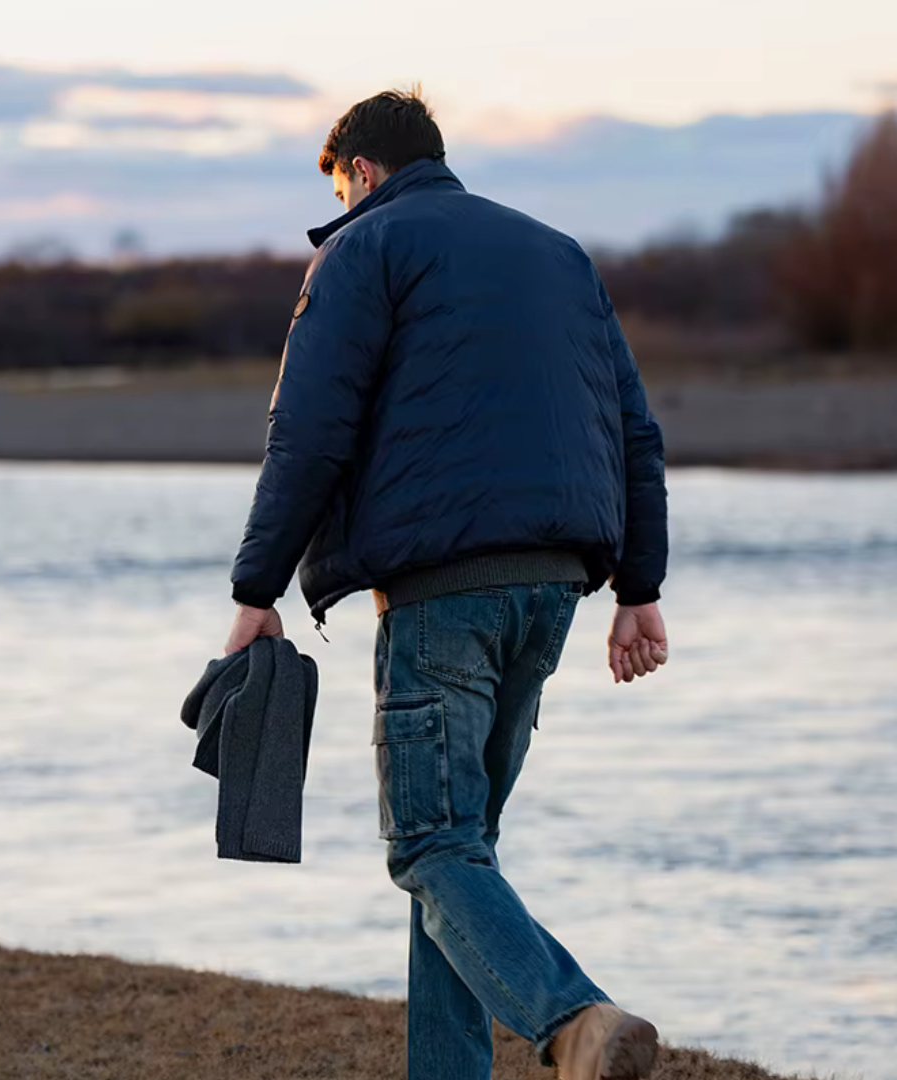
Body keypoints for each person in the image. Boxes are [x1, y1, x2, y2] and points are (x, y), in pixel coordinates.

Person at [224, 88, 669, 1080]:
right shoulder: (561, 255)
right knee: (461, 856)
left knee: (430, 849)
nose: (340, 207)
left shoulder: (361, 250)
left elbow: (309, 429)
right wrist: (639, 589)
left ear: (364, 173)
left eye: (341, 187)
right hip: (555, 590)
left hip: (441, 597)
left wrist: (256, 590)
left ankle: (575, 1021)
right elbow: (635, 428)